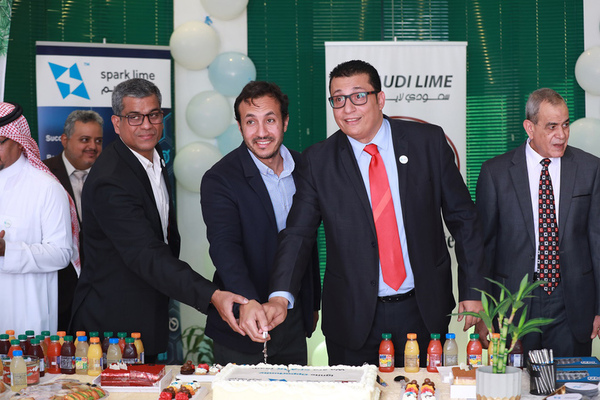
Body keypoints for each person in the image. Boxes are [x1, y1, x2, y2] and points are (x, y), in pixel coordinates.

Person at [244, 60, 489, 367]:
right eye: (338, 99)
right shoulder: (318, 161)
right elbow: (298, 234)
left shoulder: (427, 142)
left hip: (424, 309)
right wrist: (280, 296)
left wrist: (472, 290)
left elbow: (464, 220)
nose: (348, 109)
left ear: (380, 99)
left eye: (358, 96)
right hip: (352, 317)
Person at [70, 78, 248, 362]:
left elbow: (164, 238)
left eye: (153, 114)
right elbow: (145, 253)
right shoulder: (110, 180)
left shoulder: (153, 159)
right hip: (113, 327)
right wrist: (212, 295)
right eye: (134, 117)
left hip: (146, 314)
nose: (146, 125)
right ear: (116, 123)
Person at [200, 81, 321, 365]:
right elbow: (224, 247)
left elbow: (308, 242)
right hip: (243, 320)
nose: (262, 132)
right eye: (251, 122)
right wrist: (249, 303)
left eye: (270, 120)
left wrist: (311, 304)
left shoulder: (306, 169)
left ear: (285, 122)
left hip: (293, 317)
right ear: (240, 127)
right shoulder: (220, 179)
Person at [475, 88, 600, 356]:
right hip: (514, 304)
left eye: (565, 124)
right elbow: (483, 248)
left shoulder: (590, 169)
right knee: (514, 391)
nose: (562, 134)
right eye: (552, 126)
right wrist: (486, 313)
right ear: (529, 128)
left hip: (572, 304)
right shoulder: (495, 173)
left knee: (572, 391)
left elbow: (597, 243)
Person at [0, 102, 76, 334]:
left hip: (25, 317)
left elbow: (62, 253)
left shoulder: (45, 187)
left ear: (18, 139)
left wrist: (7, 250)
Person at [44, 109, 104, 330]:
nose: (93, 146)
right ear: (64, 140)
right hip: (57, 290)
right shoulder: (43, 175)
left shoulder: (109, 175)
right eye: (84, 140)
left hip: (100, 292)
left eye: (98, 140)